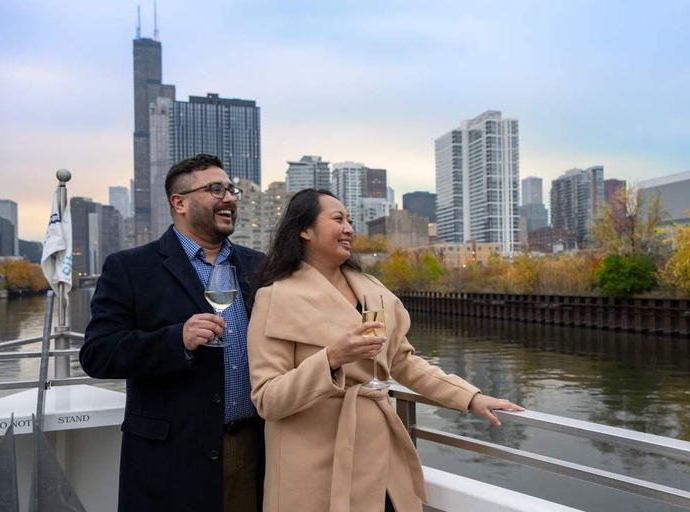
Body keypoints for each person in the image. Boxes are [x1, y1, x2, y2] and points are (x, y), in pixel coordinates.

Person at [247, 189, 523, 512]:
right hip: (313, 468)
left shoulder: (373, 289)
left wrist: (470, 397)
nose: (349, 228)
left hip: (380, 459)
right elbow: (268, 398)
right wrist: (332, 359)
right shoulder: (276, 299)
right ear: (305, 231)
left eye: (350, 220)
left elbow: (403, 362)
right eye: (338, 219)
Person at [80, 153, 265, 512]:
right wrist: (176, 340)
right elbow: (97, 354)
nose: (228, 198)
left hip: (252, 450)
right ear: (179, 202)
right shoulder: (131, 268)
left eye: (231, 189)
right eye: (215, 189)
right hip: (172, 460)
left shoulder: (258, 265)